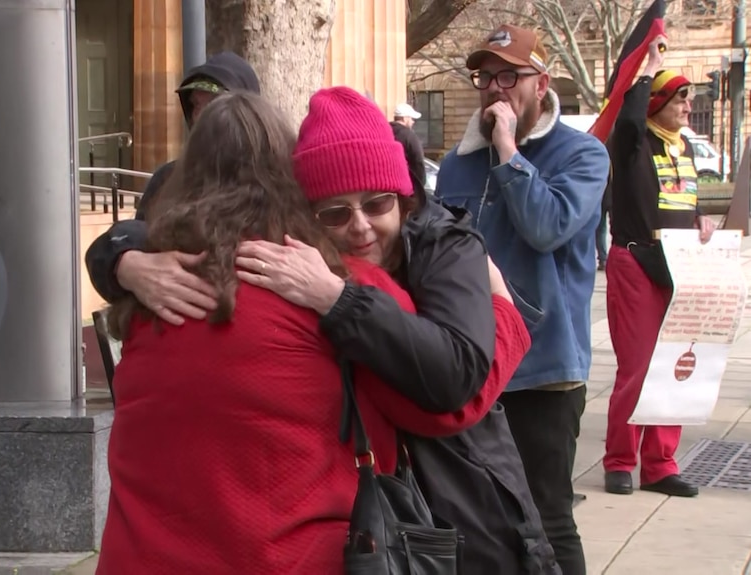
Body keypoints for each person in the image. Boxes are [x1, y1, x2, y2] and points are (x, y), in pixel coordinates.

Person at [95, 92, 488, 574]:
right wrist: (507, 312)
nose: (360, 226)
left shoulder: (147, 293)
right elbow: (448, 400)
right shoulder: (339, 285)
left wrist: (123, 259)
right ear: (295, 182)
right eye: (336, 210)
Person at [235, 86, 558, 574]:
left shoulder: (444, 245)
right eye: (336, 213)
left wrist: (336, 299)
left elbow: (454, 375)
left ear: (403, 200)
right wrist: (124, 260)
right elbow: (185, 229)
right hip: (376, 519)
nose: (361, 227)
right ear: (308, 217)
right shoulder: (296, 258)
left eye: (377, 203)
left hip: (474, 510)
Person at [435, 24, 610, 575]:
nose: (494, 88)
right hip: (473, 359)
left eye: (509, 75)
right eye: (484, 76)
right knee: (478, 513)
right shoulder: (459, 162)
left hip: (544, 367)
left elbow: (546, 226)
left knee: (548, 516)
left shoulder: (582, 155)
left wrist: (508, 149)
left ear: (542, 83)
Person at [602, 38, 715, 498]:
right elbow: (628, 117)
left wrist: (700, 219)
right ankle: (620, 461)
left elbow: (678, 201)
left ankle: (661, 465)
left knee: (676, 366)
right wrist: (649, 68)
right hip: (635, 262)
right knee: (639, 367)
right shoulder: (632, 141)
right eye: (682, 97)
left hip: (680, 266)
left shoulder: (683, 148)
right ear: (659, 102)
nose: (689, 106)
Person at [84, 51, 261, 320]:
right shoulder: (169, 178)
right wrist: (124, 262)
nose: (202, 116)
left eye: (214, 104)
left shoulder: (276, 179)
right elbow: (129, 240)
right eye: (196, 105)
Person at [390, 102, 427, 187]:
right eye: (411, 119)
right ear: (405, 118)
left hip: (388, 185)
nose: (413, 122)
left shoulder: (384, 132)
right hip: (406, 184)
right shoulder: (409, 136)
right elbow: (418, 161)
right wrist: (420, 185)